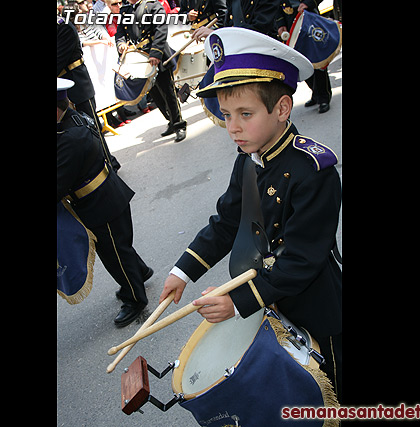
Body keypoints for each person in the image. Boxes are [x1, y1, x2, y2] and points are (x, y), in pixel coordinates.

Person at [158, 28, 342, 399]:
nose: (233, 127)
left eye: (245, 113)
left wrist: (237, 301)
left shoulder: (314, 171)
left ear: (282, 108)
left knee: (331, 382)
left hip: (316, 303)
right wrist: (183, 270)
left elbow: (302, 259)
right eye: (226, 114)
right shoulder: (248, 161)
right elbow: (226, 222)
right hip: (268, 299)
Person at [57, 78, 153, 327]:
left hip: (99, 202)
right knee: (120, 244)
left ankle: (134, 297)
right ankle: (140, 272)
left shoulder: (69, 138)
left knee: (114, 253)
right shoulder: (73, 118)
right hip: (106, 194)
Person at [58, 6, 121, 170]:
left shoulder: (63, 26)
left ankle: (110, 166)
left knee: (93, 129)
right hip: (65, 87)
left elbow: (59, 59)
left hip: (78, 85)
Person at [115, 0, 187, 142]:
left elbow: (161, 28)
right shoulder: (125, 10)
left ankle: (179, 124)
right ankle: (170, 120)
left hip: (156, 53)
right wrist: (121, 43)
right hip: (140, 57)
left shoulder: (154, 5)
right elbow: (120, 32)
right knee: (154, 93)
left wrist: (155, 53)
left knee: (168, 91)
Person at [276, 0, 333, 113]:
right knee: (301, 63)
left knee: (318, 60)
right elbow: (276, 5)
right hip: (291, 25)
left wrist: (308, 2)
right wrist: (280, 24)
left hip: (309, 20)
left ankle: (324, 97)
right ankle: (316, 92)